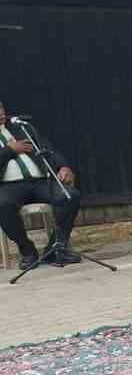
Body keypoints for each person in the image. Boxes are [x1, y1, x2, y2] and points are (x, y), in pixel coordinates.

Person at [0, 101, 81, 267]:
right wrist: (10, 150)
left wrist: (63, 166)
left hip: (40, 182)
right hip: (8, 187)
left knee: (70, 196)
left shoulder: (22, 128)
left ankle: (55, 249)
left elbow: (47, 149)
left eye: (0, 108)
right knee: (2, 205)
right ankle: (28, 251)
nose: (0, 113)